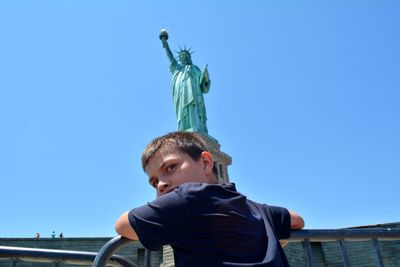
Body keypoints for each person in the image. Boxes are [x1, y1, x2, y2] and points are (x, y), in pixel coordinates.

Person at [116, 132, 304, 266]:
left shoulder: (185, 199)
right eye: (154, 182)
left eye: (170, 167)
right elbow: (297, 220)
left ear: (206, 162)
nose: (160, 185)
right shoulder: (255, 208)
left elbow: (122, 224)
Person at [160, 30, 211, 135]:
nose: (183, 58)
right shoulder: (177, 69)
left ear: (189, 58)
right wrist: (165, 45)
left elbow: (203, 86)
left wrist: (205, 78)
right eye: (181, 56)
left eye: (185, 56)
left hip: (195, 94)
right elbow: (171, 58)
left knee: (194, 108)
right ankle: (185, 129)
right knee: (184, 110)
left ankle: (196, 127)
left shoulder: (195, 69)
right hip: (182, 95)